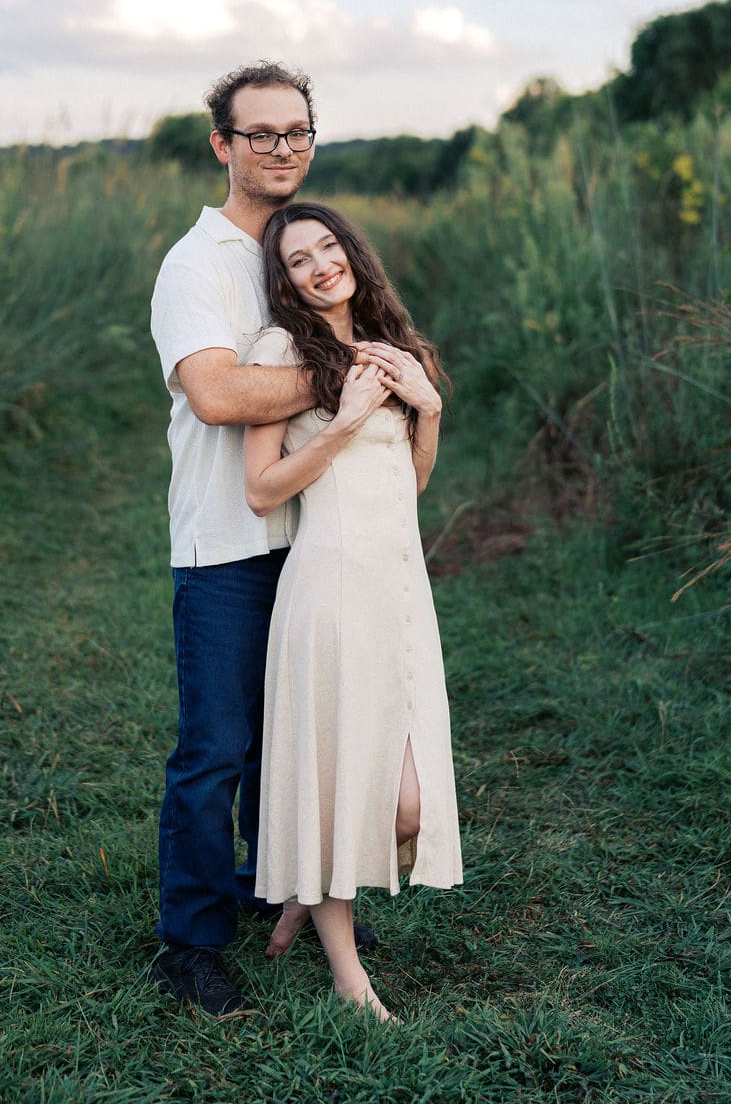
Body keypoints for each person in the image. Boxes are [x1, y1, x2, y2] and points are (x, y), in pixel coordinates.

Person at [149, 62, 373, 1018]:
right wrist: (347, 380)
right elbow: (216, 393)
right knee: (217, 746)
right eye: (261, 133)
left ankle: (272, 884)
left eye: (298, 132)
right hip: (226, 540)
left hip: (315, 533)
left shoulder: (307, 244)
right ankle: (190, 942)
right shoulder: (196, 265)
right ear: (223, 146)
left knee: (301, 734)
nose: (282, 148)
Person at [243, 202, 463, 1020]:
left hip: (400, 588)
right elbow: (261, 486)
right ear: (286, 280)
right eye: (299, 259)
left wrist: (426, 406)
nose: (319, 265)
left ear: (350, 252)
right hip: (329, 586)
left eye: (327, 246)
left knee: (406, 799)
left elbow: (408, 484)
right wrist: (342, 424)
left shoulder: (387, 339)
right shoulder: (277, 353)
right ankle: (348, 976)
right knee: (341, 779)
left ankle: (308, 889)